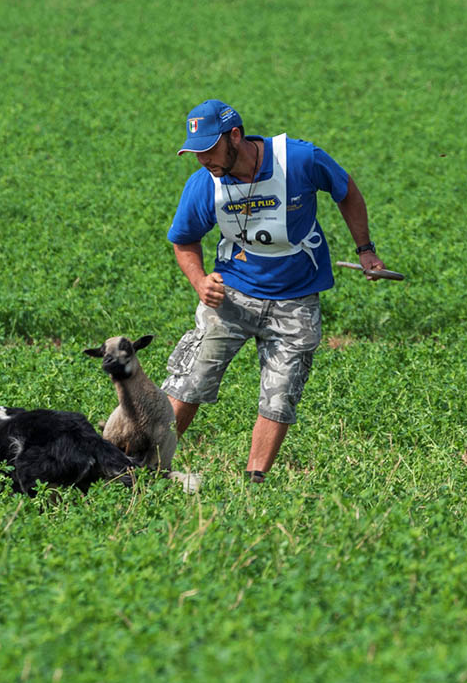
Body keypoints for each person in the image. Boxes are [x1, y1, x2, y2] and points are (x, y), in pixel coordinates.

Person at [161, 99, 385, 483]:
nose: (204, 160)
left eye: (210, 150)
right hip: (232, 292)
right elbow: (184, 241)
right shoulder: (204, 184)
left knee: (281, 392)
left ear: (236, 136)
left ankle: (255, 481)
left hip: (296, 296)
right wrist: (200, 282)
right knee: (191, 378)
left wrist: (366, 251)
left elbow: (346, 190)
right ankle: (148, 466)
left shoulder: (298, 159)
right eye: (196, 153)